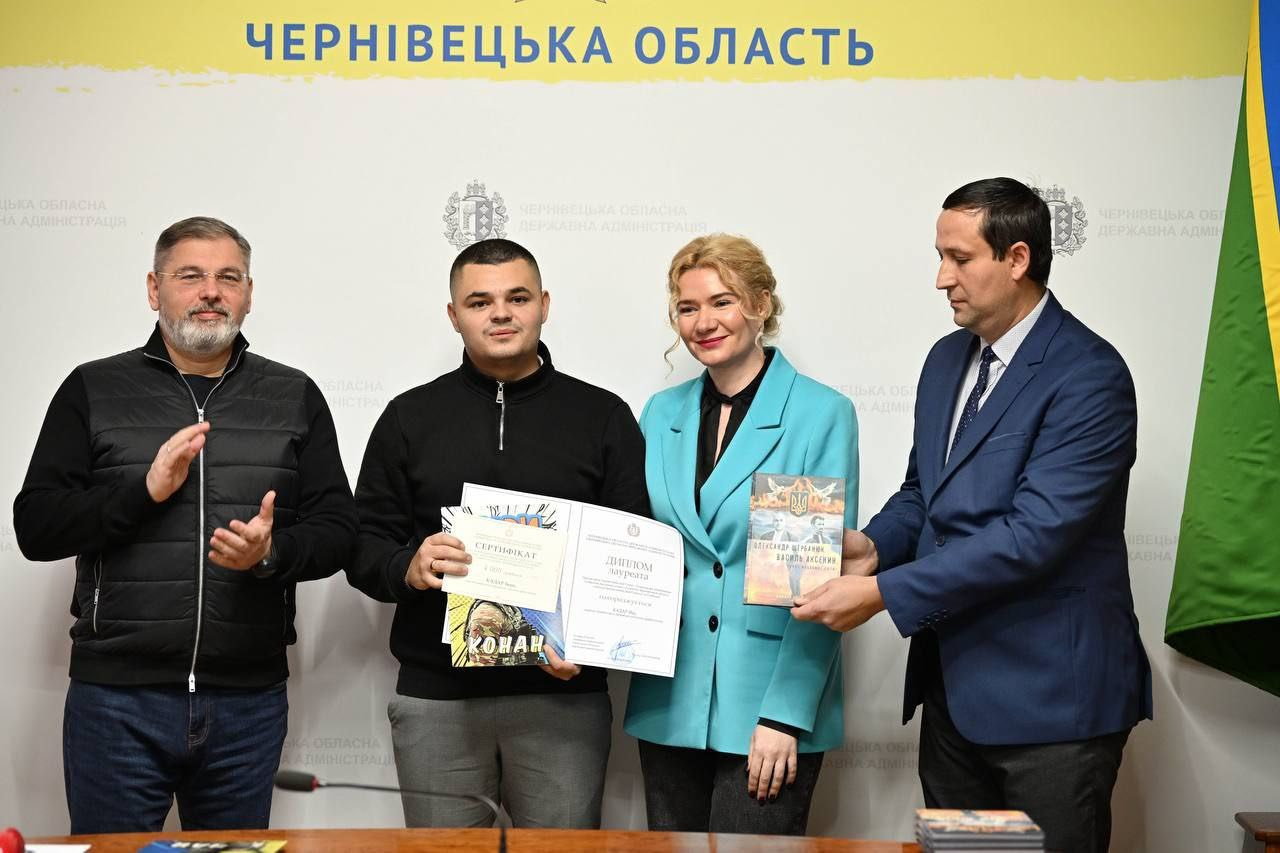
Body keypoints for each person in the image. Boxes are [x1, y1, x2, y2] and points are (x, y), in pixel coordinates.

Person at [792, 178, 1152, 853]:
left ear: (1017, 259)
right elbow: (923, 492)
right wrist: (872, 547)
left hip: (1054, 707)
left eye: (959, 258)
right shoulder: (945, 360)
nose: (941, 278)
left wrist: (882, 592)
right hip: (953, 698)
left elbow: (1032, 537)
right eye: (940, 256)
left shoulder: (1090, 375)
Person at [13, 216, 358, 834]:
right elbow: (35, 526)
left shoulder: (294, 395)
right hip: (117, 702)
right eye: (190, 276)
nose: (210, 292)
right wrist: (142, 492)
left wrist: (270, 554)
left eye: (229, 277)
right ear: (154, 289)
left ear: (249, 293)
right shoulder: (93, 387)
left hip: (247, 705)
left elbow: (339, 531)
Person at [346, 238, 648, 829]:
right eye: (480, 302)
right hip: (438, 699)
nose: (501, 313)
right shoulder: (409, 416)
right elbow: (362, 545)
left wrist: (587, 646)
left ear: (544, 305)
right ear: (453, 315)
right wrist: (408, 566)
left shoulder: (602, 416)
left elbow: (633, 554)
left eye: (518, 298)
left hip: (563, 697)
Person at [624, 234, 858, 835]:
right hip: (669, 698)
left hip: (766, 707)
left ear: (761, 303)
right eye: (687, 307)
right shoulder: (659, 413)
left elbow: (816, 585)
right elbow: (635, 545)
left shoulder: (818, 414)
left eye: (721, 302)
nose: (703, 322)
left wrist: (785, 715)